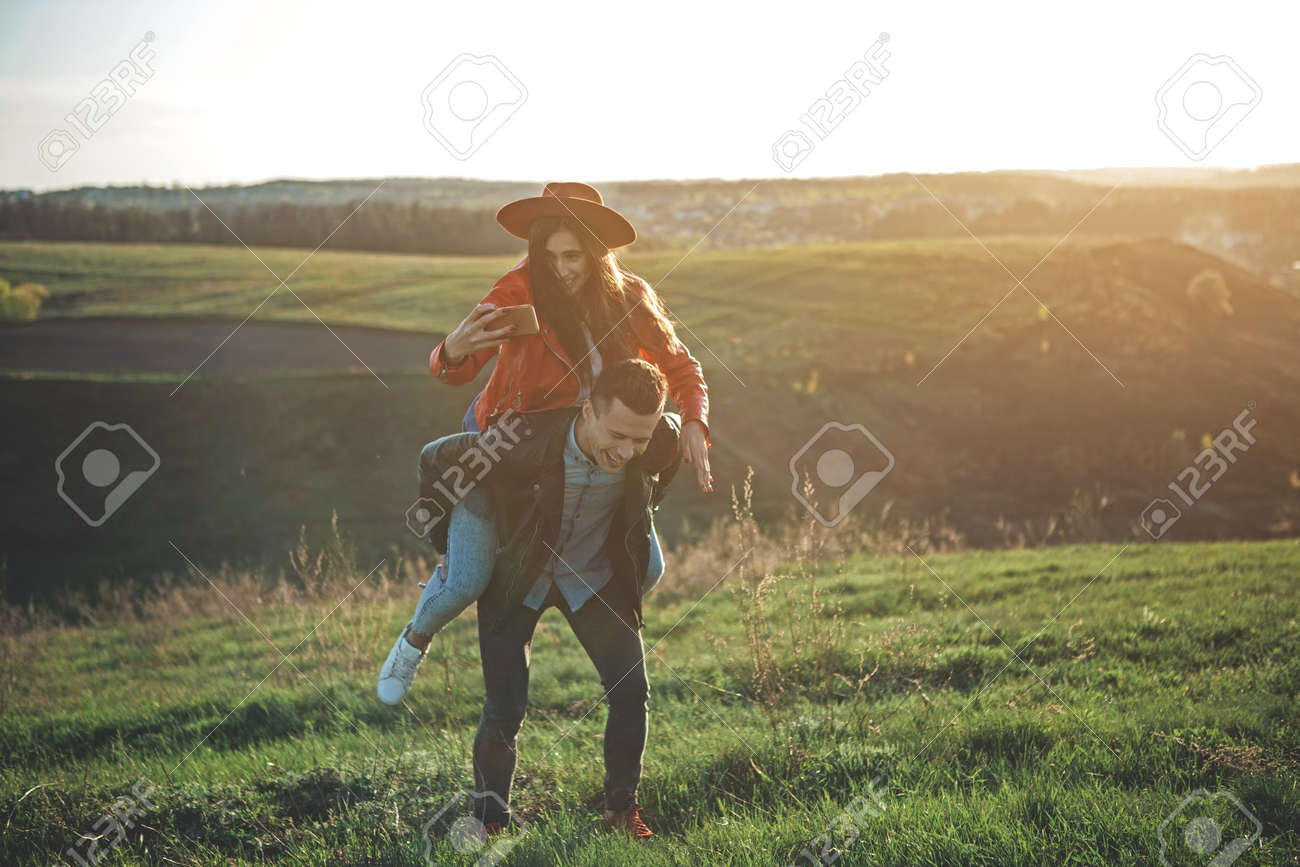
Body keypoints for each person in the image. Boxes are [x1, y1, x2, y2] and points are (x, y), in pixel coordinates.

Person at [379, 182, 712, 706]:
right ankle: (414, 640)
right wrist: (452, 349)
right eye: (549, 255)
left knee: (647, 569)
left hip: (591, 449)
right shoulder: (517, 289)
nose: (560, 268)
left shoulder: (630, 297)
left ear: (598, 254)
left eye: (573, 256)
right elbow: (455, 368)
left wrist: (693, 419)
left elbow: (680, 364)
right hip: (509, 448)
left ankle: (590, 628)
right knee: (467, 581)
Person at [419, 358, 679, 840]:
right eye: (617, 435)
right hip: (518, 577)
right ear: (587, 409)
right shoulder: (523, 439)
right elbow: (435, 457)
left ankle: (621, 812)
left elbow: (662, 471)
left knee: (631, 693)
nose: (626, 451)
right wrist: (446, 548)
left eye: (639, 440)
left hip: (596, 578)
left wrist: (643, 513)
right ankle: (490, 820)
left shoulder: (661, 441)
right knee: (506, 706)